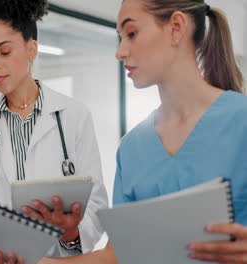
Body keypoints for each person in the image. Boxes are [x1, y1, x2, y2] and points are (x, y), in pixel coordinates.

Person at [31, 0, 247, 263]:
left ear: (176, 28)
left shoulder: (241, 121)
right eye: (120, 38)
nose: (120, 52)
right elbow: (118, 254)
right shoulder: (132, 148)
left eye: (131, 34)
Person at [0, 0, 108, 262]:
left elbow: (96, 204)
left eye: (4, 52)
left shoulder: (74, 116)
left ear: (32, 49)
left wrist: (72, 233)